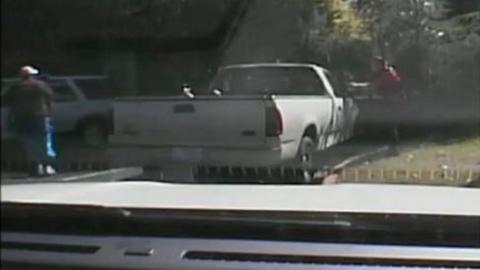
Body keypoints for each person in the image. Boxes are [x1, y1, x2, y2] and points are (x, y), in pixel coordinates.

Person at [7, 66, 57, 177]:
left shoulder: (15, 87)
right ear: (33, 75)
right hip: (40, 117)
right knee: (44, 141)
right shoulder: (41, 85)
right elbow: (50, 99)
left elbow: (9, 103)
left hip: (22, 118)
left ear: (21, 76)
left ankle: (35, 166)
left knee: (29, 143)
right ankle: (46, 166)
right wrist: (49, 113)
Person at [370, 57, 405, 143]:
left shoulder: (384, 74)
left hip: (392, 101)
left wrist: (357, 88)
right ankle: (393, 144)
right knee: (392, 124)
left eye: (374, 65)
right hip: (395, 100)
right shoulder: (389, 71)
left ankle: (393, 145)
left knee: (390, 124)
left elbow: (374, 86)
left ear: (379, 65)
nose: (372, 67)